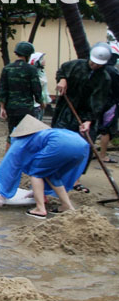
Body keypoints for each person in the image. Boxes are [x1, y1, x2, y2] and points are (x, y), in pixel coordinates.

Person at [0, 115, 88, 219]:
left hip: (58, 145)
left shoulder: (20, 141)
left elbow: (9, 166)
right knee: (52, 174)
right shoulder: (47, 133)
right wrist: (35, 192)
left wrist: (4, 193)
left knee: (36, 173)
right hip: (81, 144)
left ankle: (40, 209)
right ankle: (67, 206)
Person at [52, 42, 113, 193]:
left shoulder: (104, 78)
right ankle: (54, 173)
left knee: (85, 146)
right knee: (60, 141)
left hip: (87, 114)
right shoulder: (75, 65)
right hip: (67, 110)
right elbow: (62, 71)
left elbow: (98, 102)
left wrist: (88, 120)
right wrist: (62, 79)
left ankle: (75, 179)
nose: (94, 66)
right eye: (93, 62)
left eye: (98, 64)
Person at [0, 41, 43, 150]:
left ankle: (8, 160)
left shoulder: (7, 69)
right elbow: (36, 89)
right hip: (26, 108)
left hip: (11, 108)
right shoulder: (31, 70)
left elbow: (2, 89)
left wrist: (2, 107)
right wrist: (41, 102)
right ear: (29, 55)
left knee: (11, 134)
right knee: (27, 134)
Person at [96, 44, 119, 164]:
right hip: (109, 104)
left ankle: (90, 152)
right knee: (106, 129)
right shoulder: (113, 71)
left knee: (94, 128)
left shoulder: (97, 68)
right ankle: (103, 155)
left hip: (96, 103)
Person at [28, 52, 51, 120]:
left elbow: (44, 89)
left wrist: (46, 100)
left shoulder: (41, 73)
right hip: (36, 105)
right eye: (41, 59)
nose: (44, 61)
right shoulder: (34, 74)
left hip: (41, 104)